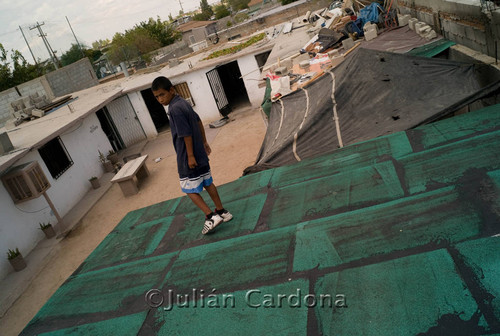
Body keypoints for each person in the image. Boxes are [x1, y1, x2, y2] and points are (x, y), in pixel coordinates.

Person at [151, 76, 233, 234]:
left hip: (188, 156)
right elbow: (198, 121)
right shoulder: (183, 102)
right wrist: (204, 142)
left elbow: (185, 133)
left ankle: (210, 217)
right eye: (156, 97)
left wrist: (189, 156)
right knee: (208, 182)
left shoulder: (174, 109)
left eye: (162, 94)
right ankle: (222, 211)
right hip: (199, 153)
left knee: (188, 189)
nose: (160, 99)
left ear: (171, 90)